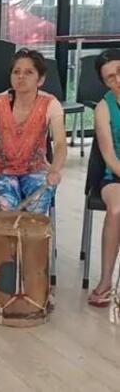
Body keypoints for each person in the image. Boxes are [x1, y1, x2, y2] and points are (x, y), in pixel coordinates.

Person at [0, 49, 66, 215]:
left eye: (29, 72)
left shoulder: (51, 104)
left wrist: (55, 170)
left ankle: (31, 241)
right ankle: (8, 241)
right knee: (9, 204)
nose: (21, 77)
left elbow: (60, 144)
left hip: (36, 169)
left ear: (41, 79)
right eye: (16, 72)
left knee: (38, 204)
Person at [88, 48, 120, 307]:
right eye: (110, 77)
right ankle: (106, 279)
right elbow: (108, 155)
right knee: (117, 210)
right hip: (115, 175)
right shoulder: (103, 107)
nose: (117, 80)